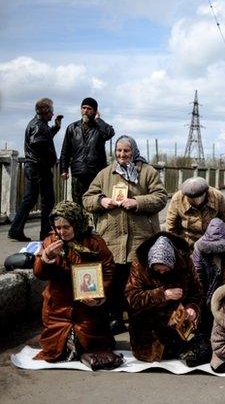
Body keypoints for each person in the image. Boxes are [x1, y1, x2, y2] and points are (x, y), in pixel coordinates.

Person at [83, 135, 167, 334]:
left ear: (133, 151)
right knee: (113, 282)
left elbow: (161, 197)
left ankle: (138, 320)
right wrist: (101, 201)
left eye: (126, 151)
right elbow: (87, 198)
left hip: (141, 239)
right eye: (119, 151)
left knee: (137, 281)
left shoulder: (147, 172)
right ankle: (115, 319)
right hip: (111, 239)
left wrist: (137, 202)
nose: (122, 155)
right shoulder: (105, 174)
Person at [33, 201, 115, 362]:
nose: (62, 232)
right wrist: (46, 258)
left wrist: (98, 297)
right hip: (58, 306)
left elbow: (108, 270)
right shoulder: (50, 242)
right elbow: (39, 273)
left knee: (92, 342)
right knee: (54, 348)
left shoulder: (94, 243)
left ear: (76, 224)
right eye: (58, 228)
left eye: (66, 227)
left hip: (87, 308)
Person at [125, 233, 203, 362]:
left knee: (179, 352)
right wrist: (163, 294)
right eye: (158, 269)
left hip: (175, 328)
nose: (161, 272)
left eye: (165, 269)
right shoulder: (139, 265)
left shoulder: (185, 263)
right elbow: (132, 298)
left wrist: (192, 308)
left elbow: (196, 291)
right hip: (147, 328)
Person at [8, 98, 63, 242]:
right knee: (46, 200)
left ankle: (18, 229)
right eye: (51, 111)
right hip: (38, 168)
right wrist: (49, 157)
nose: (52, 114)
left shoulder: (40, 124)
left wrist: (56, 127)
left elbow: (42, 136)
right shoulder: (39, 126)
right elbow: (37, 141)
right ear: (45, 111)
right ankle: (43, 232)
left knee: (33, 199)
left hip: (36, 168)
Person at [59, 97, 115, 206]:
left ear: (95, 111)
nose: (85, 111)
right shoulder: (72, 128)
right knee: (78, 205)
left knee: (96, 203)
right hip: (78, 173)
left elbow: (110, 133)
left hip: (96, 173)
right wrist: (63, 169)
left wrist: (98, 120)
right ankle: (81, 224)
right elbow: (65, 150)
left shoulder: (100, 128)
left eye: (89, 108)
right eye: (83, 108)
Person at [166, 177, 225, 248]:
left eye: (200, 197)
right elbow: (171, 227)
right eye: (193, 199)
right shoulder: (177, 199)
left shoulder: (217, 197)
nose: (198, 201)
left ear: (206, 192)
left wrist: (223, 245)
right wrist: (178, 247)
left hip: (212, 242)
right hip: (188, 243)